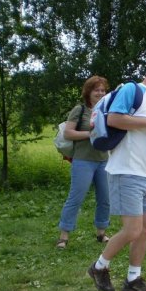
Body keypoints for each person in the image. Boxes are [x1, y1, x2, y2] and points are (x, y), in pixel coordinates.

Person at [87, 56, 146, 291]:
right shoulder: (132, 89)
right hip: (126, 171)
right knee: (133, 229)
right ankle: (98, 267)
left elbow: (138, 132)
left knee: (145, 229)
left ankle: (133, 279)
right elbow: (114, 119)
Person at [57, 76, 111, 249]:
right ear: (89, 92)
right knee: (76, 197)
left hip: (104, 160)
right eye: (97, 90)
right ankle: (64, 236)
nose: (101, 93)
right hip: (83, 160)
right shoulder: (80, 110)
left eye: (103, 90)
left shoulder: (107, 110)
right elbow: (68, 133)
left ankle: (101, 233)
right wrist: (90, 134)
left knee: (105, 198)